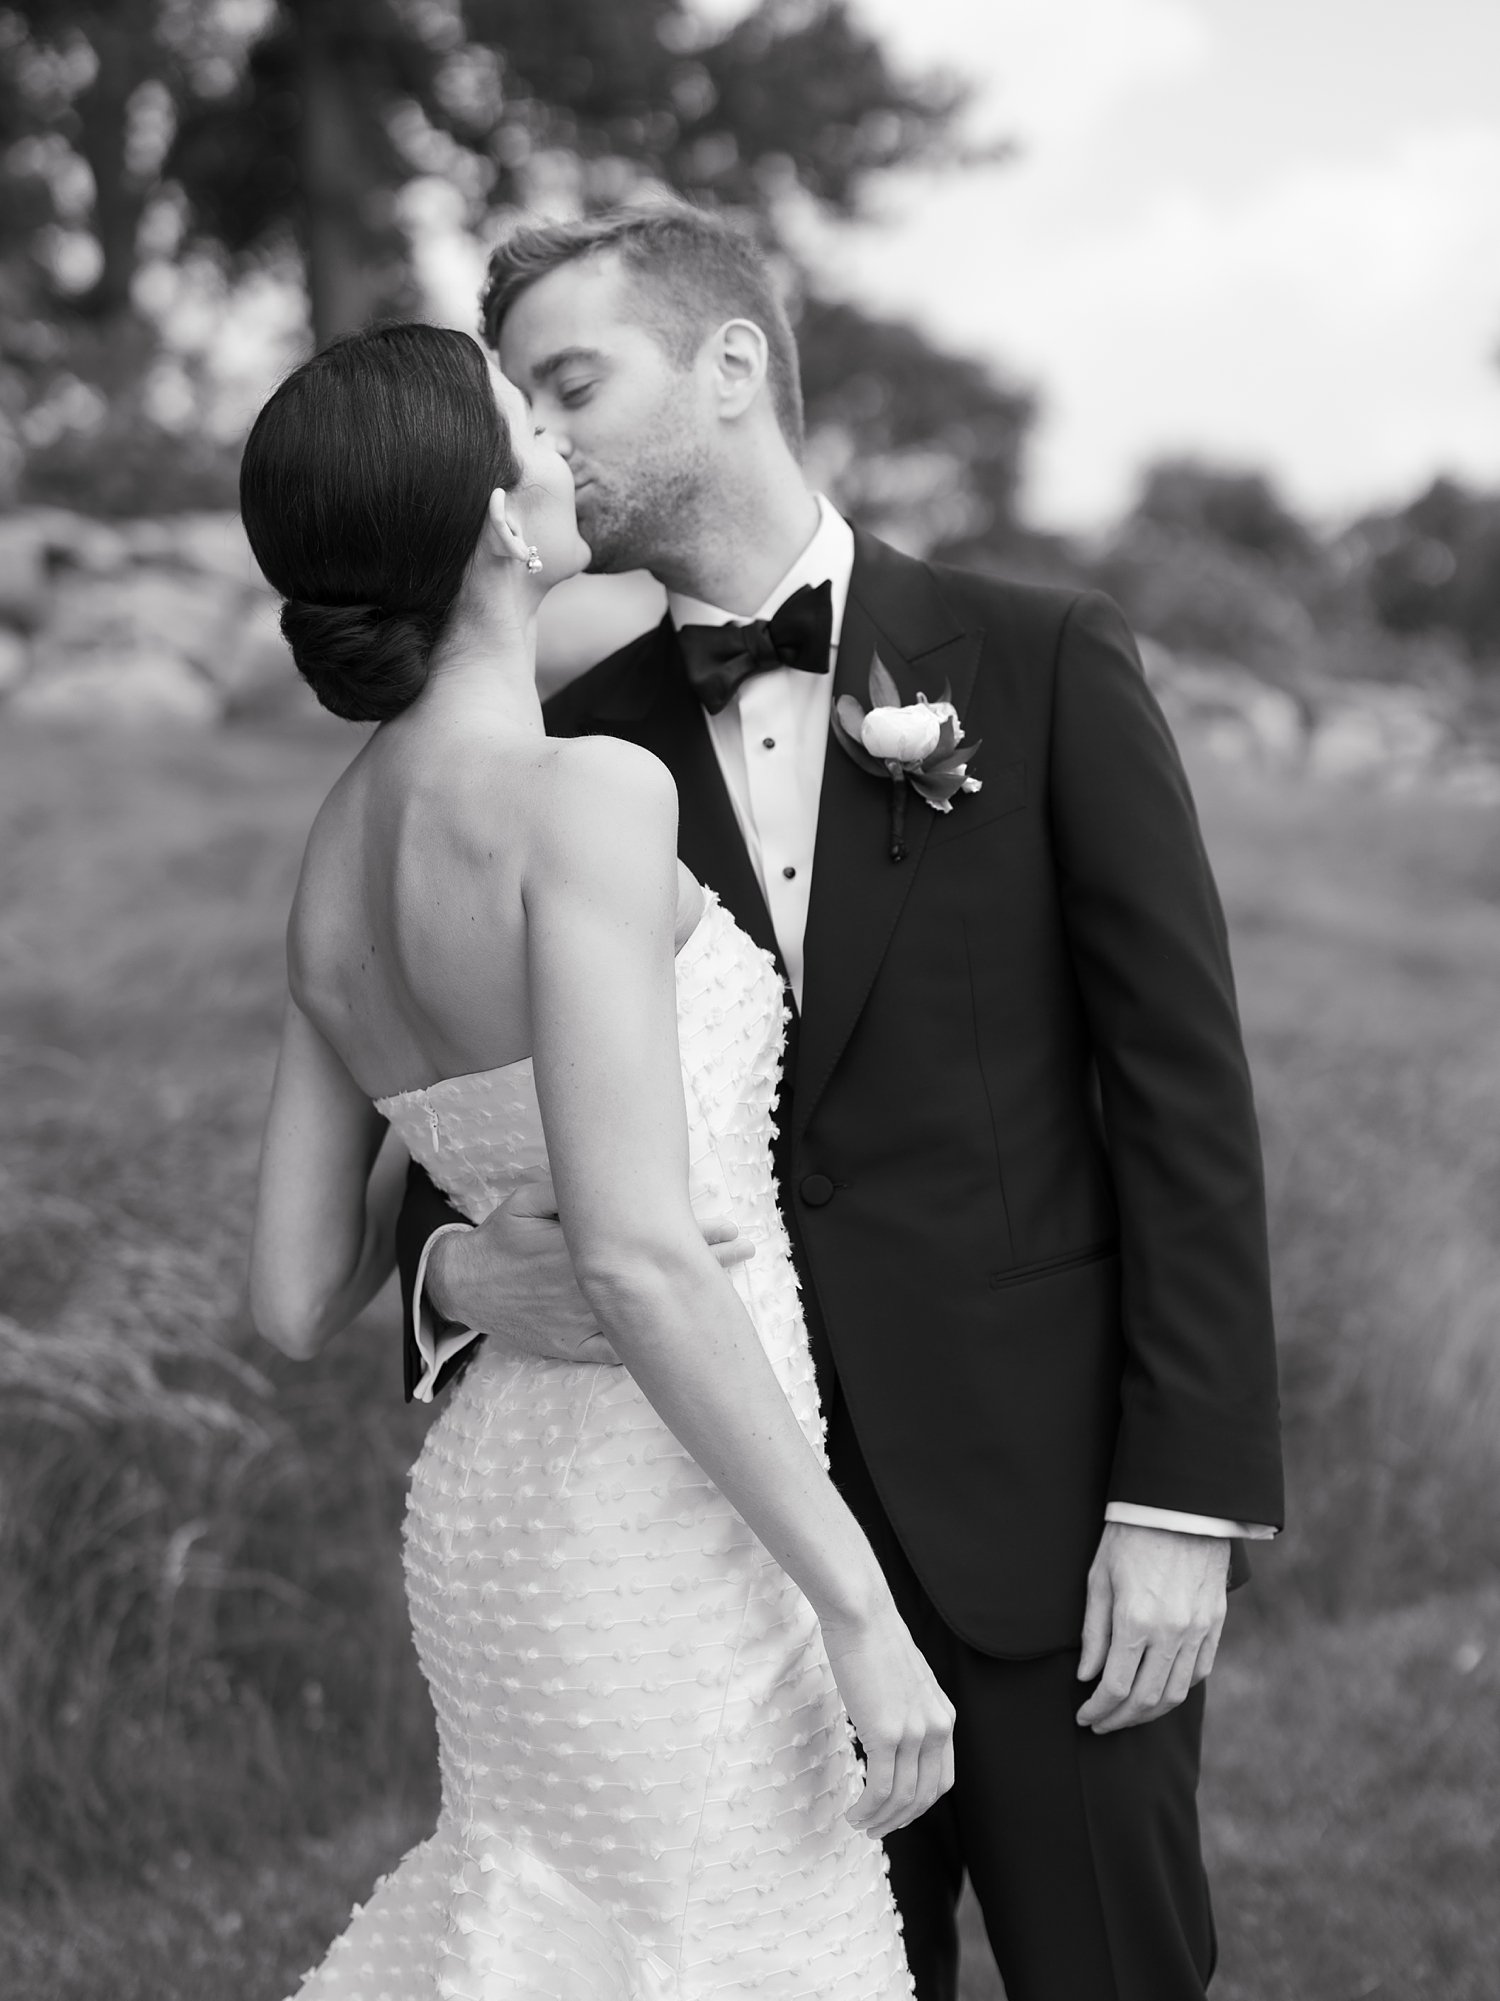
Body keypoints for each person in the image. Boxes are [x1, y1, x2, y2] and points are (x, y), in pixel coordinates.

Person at [396, 204, 1285, 2001]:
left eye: (575, 383)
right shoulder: (565, 753)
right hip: (720, 1564)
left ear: (734, 364)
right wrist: (457, 1279)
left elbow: (1184, 1095)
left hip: (1043, 1526)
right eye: (526, 410)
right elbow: (457, 1111)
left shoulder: (1042, 659)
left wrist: (1183, 1497)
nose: (543, 446)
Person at [242, 320, 954, 2000]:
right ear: (497, 518)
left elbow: (288, 1298)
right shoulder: (589, 796)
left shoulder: (330, 857)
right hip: (678, 1516)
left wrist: (466, 1257)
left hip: (504, 1520)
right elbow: (640, 1257)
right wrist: (859, 1608)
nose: (560, 449)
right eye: (527, 424)